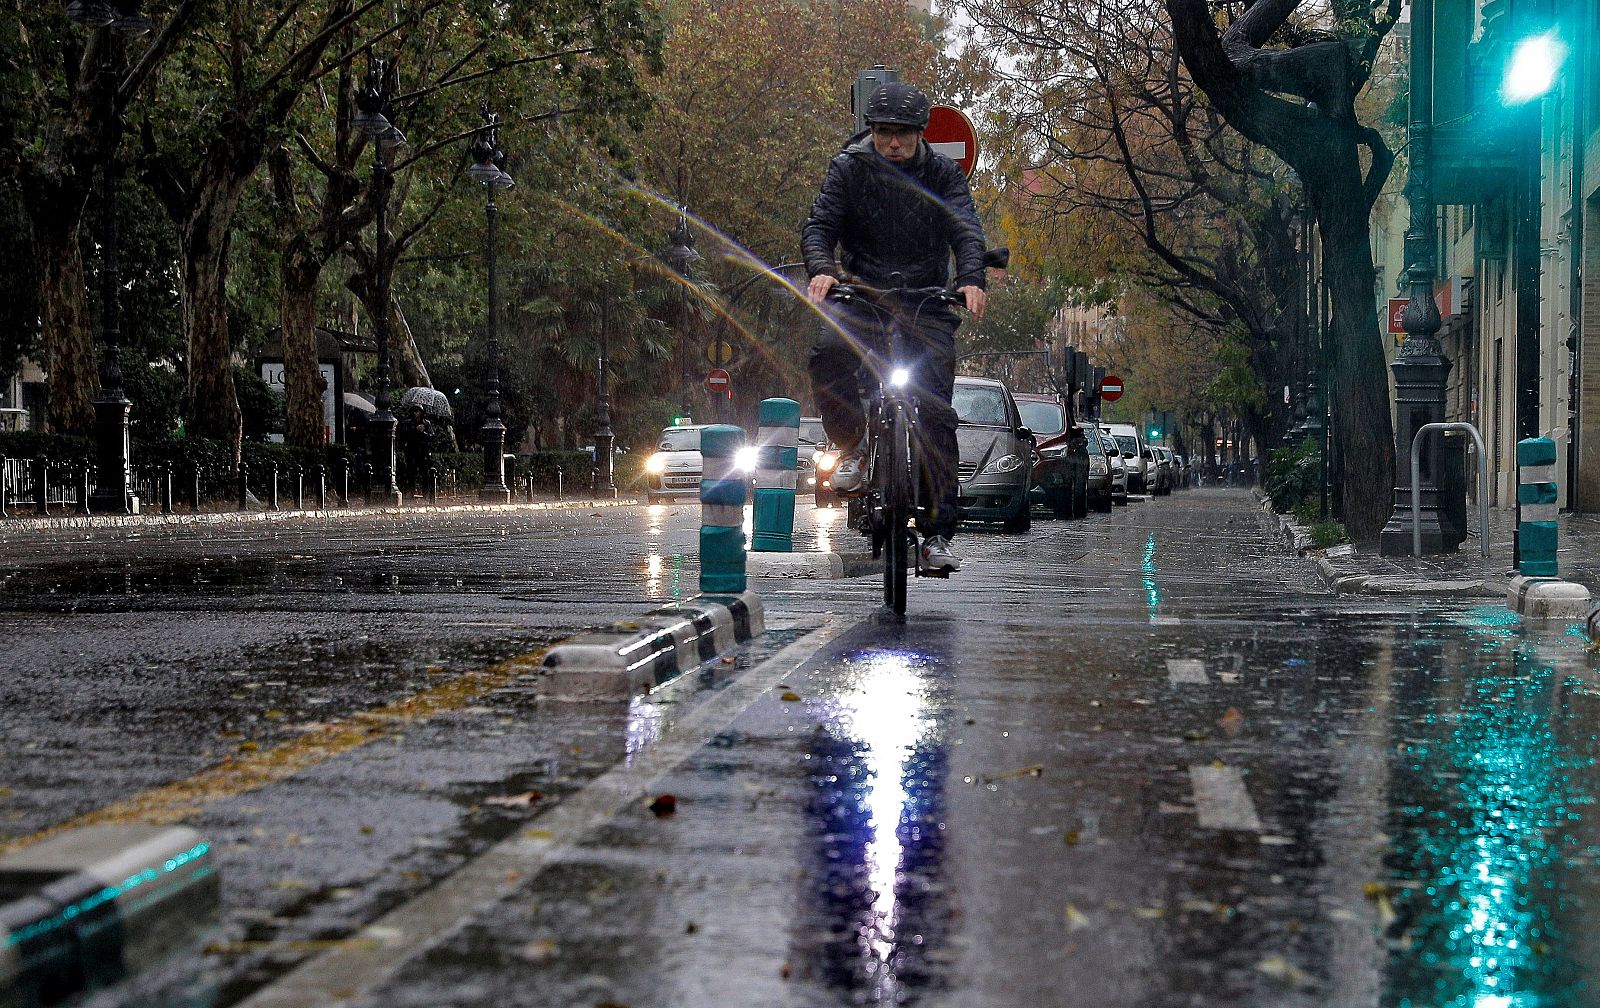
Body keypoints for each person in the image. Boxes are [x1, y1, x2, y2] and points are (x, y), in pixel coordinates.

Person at [802, 80, 990, 574]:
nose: (892, 143)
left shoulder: (943, 174)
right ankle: (854, 446)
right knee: (827, 354)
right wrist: (823, 268)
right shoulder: (849, 167)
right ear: (871, 131)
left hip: (926, 301)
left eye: (902, 134)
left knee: (936, 413)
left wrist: (971, 279)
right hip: (861, 295)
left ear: (920, 133)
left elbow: (966, 230)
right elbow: (819, 226)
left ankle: (936, 534)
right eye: (883, 132)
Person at [401, 405, 433, 496]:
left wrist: (424, 433)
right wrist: (415, 430)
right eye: (414, 411)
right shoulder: (409, 423)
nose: (415, 413)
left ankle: (425, 493)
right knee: (411, 472)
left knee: (424, 473)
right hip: (411, 450)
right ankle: (411, 491)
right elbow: (404, 434)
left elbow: (431, 436)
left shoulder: (426, 423)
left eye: (417, 411)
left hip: (423, 451)